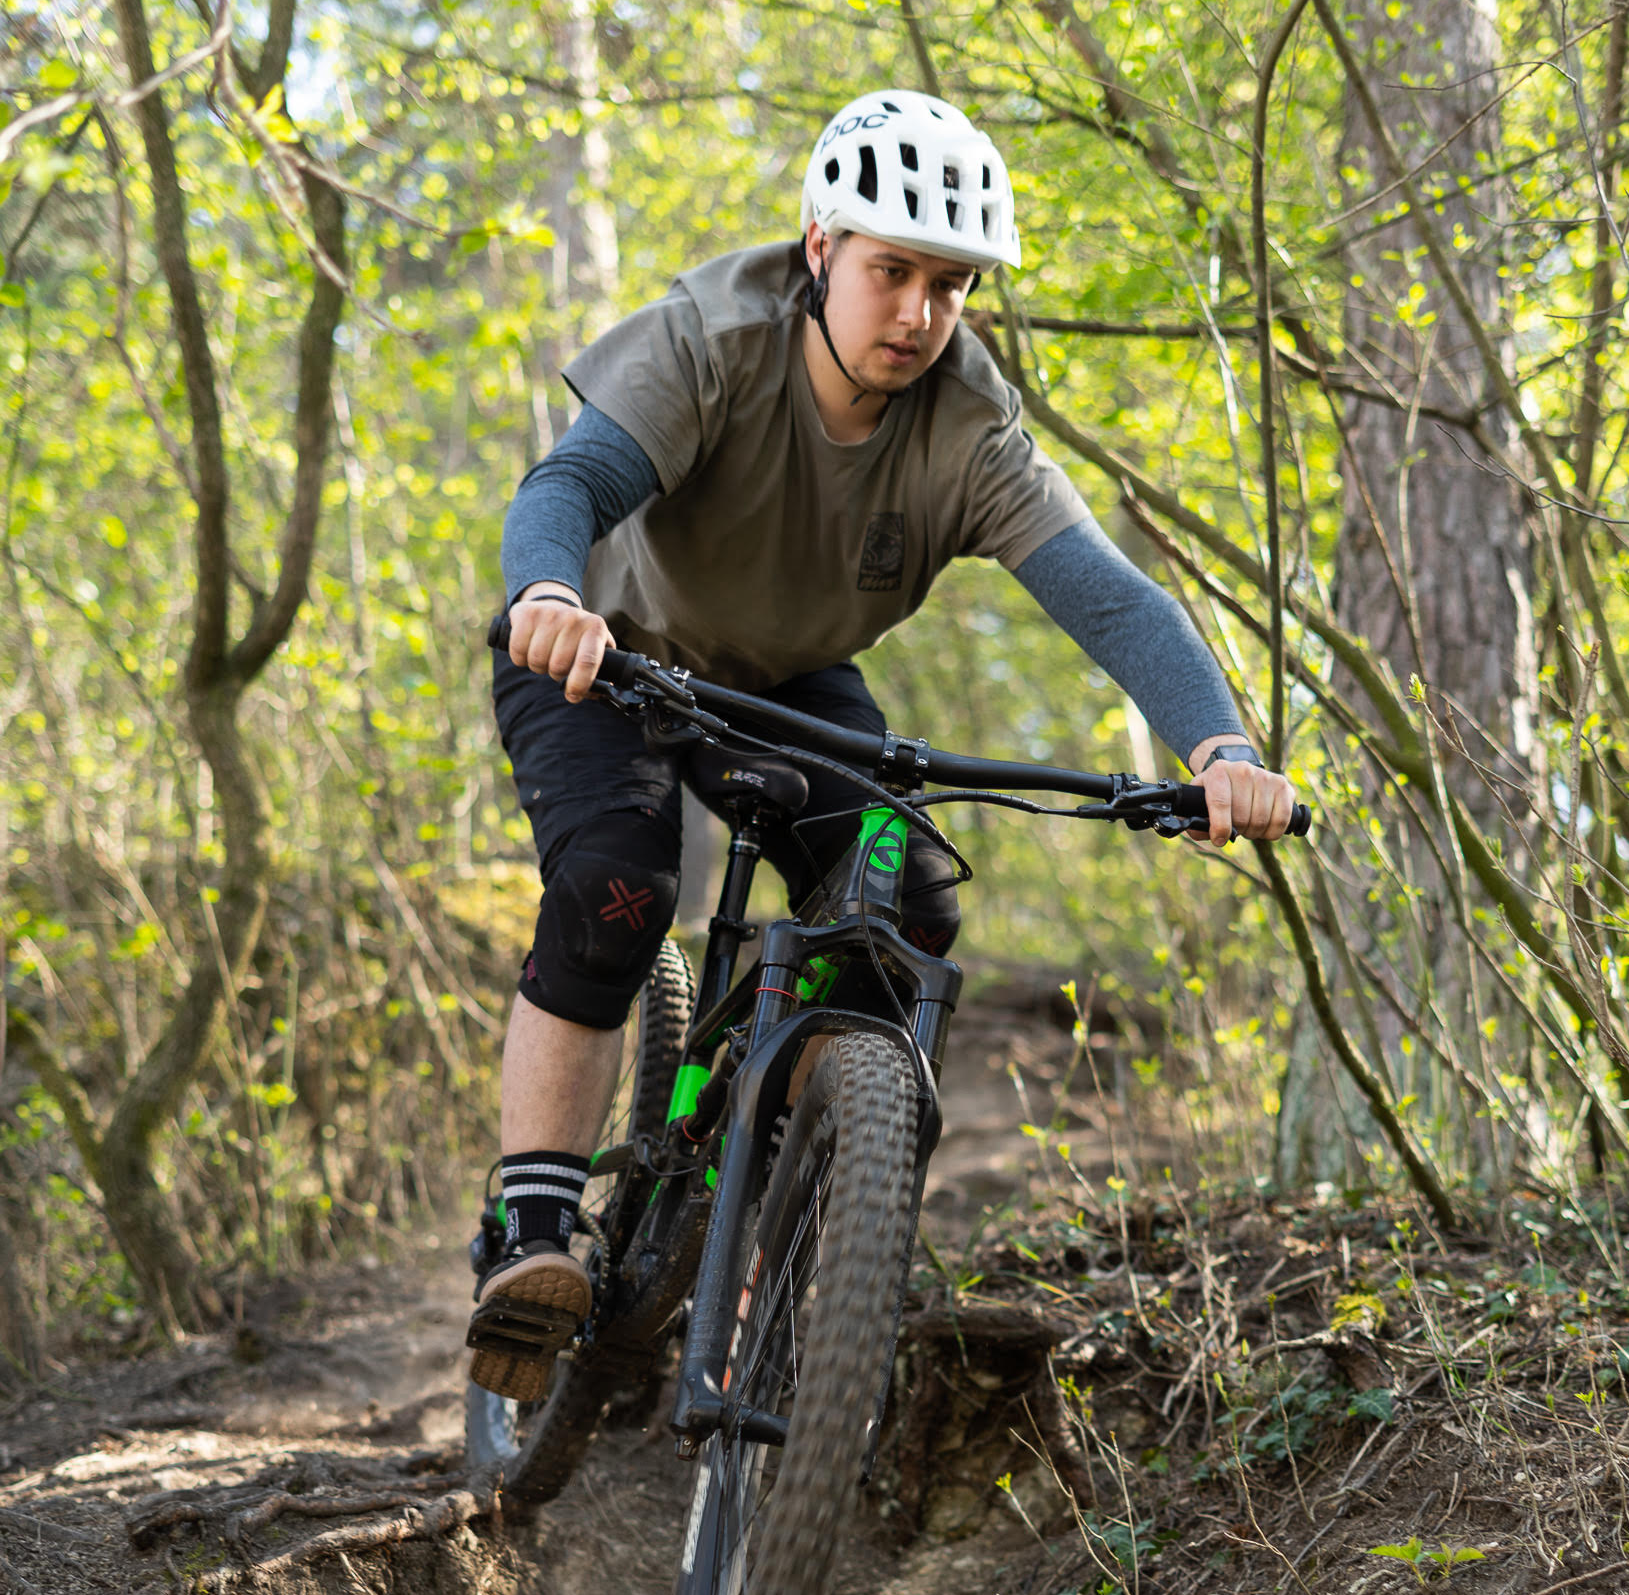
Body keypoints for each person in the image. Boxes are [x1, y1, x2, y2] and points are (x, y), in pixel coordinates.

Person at [472, 87, 1295, 1399]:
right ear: (821, 250)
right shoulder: (712, 339)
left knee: (902, 900)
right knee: (617, 887)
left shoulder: (968, 428)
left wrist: (1219, 748)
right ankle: (532, 1230)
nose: (917, 313)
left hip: (786, 678)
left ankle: (792, 1219)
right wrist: (552, 597)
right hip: (604, 651)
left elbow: (1111, 600)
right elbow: (567, 484)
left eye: (949, 286)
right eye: (891, 271)